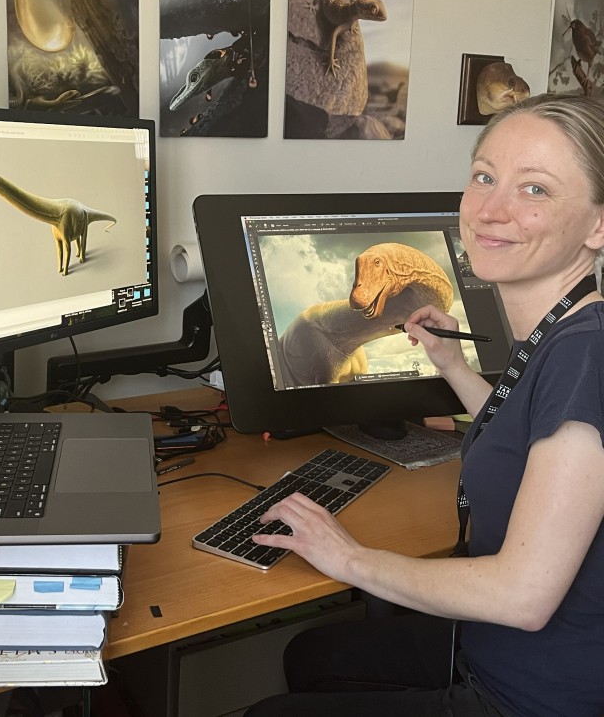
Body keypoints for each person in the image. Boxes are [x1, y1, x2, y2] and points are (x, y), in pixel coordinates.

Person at [244, 93, 604, 717]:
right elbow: (531, 437)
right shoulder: (567, 329)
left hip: (530, 694)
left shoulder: (586, 357)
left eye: (536, 190)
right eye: (484, 177)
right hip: (497, 648)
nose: (491, 210)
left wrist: (350, 557)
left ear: (598, 225)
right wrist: (454, 367)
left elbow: (523, 595)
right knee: (313, 658)